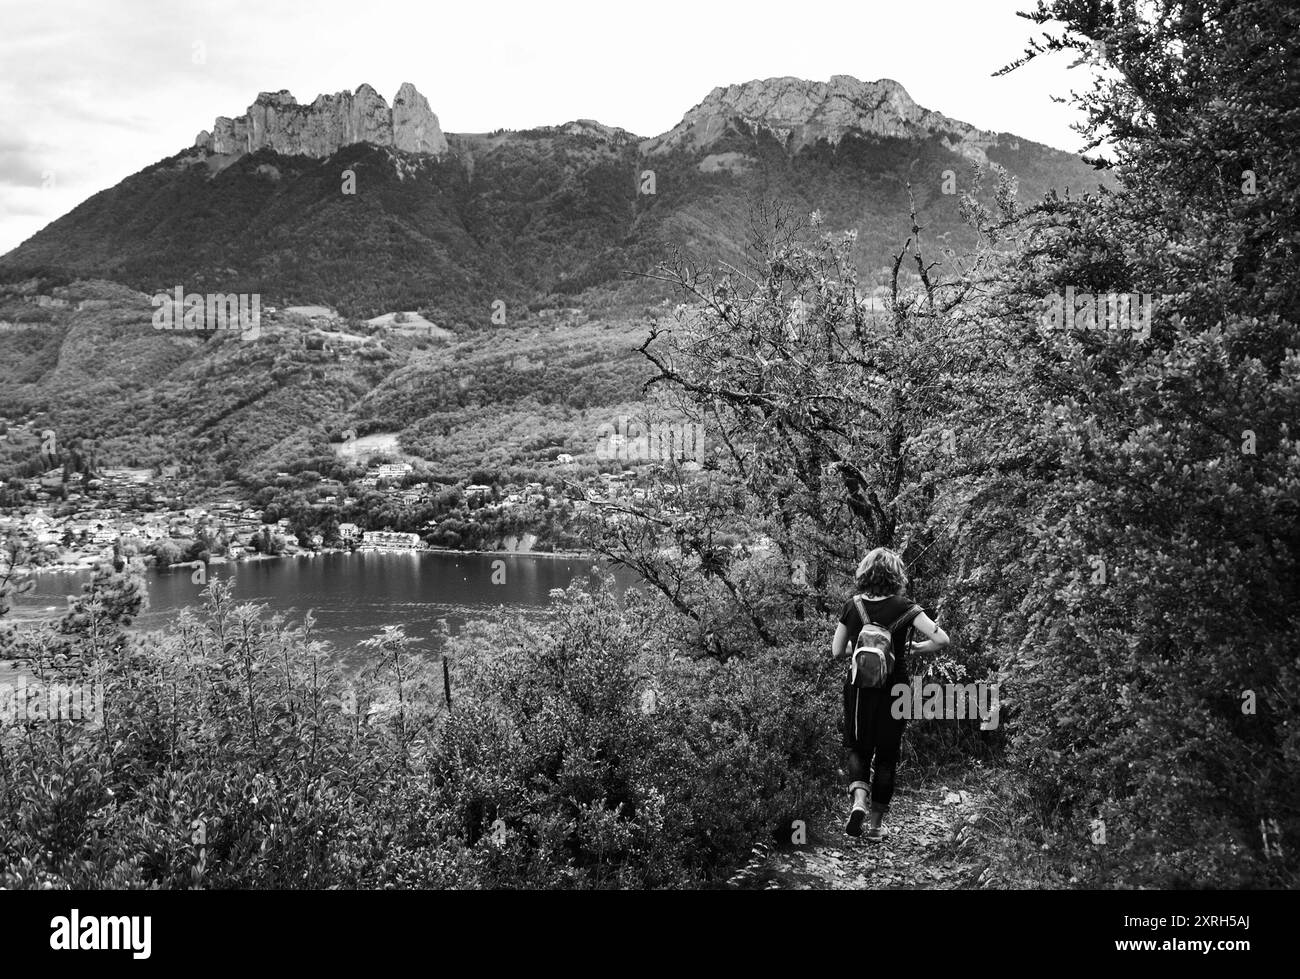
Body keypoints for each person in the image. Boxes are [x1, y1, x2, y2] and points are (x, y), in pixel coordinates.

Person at [831, 547, 949, 840]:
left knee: (858, 747)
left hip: (859, 689)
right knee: (886, 755)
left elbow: (836, 651)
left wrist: (858, 649)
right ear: (895, 575)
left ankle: (858, 800)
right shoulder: (907, 607)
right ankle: (874, 827)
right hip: (896, 689)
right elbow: (941, 639)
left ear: (866, 572)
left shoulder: (852, 606)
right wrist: (917, 648)